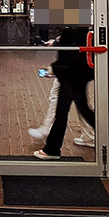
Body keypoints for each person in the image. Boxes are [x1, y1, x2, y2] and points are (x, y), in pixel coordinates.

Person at [35, 27, 95, 160]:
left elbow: (72, 48)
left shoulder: (74, 27)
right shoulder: (77, 27)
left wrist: (55, 68)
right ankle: (103, 136)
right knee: (82, 108)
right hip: (76, 71)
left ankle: (52, 149)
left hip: (72, 71)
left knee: (63, 111)